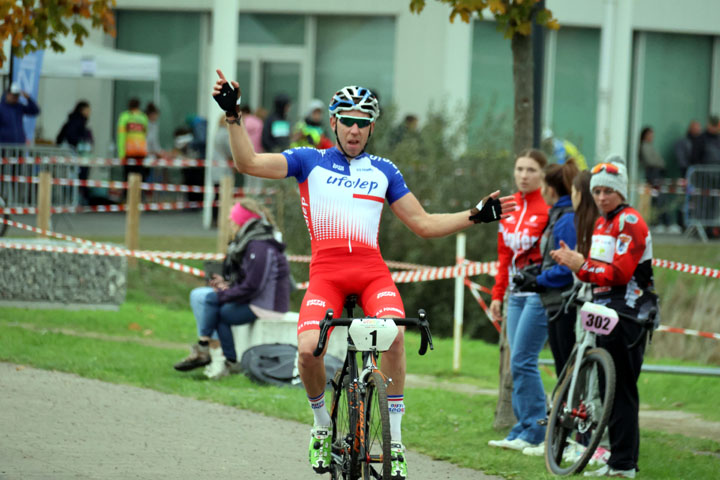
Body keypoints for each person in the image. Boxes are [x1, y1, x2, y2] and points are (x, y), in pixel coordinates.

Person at [212, 69, 515, 479]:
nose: (354, 130)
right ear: (334, 122)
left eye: (362, 123)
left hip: (372, 271)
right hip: (327, 272)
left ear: (371, 128)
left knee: (393, 336)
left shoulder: (384, 170)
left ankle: (395, 441)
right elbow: (247, 162)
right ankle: (321, 427)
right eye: (347, 121)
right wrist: (233, 115)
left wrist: (475, 216)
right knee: (306, 350)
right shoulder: (308, 160)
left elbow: (423, 224)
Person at [551, 155, 656, 479]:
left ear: (621, 192)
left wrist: (580, 264)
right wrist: (582, 271)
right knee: (608, 386)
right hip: (603, 308)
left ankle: (624, 464)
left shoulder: (630, 221)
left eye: (608, 191)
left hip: (630, 313)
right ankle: (617, 461)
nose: (601, 197)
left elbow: (620, 273)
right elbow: (597, 271)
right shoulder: (602, 221)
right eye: (596, 191)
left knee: (621, 389)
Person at [174, 198, 291, 378]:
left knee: (215, 303)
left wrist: (225, 294)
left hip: (267, 304)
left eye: (232, 217)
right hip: (258, 299)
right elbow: (249, 279)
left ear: (241, 221)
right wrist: (226, 285)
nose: (229, 221)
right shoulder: (250, 241)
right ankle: (221, 357)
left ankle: (212, 352)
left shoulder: (258, 245)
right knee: (211, 302)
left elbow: (253, 286)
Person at [488, 149, 550, 452]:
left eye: (531, 170)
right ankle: (522, 429)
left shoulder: (546, 210)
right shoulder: (507, 206)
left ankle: (536, 430)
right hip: (514, 295)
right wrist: (497, 295)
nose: (524, 175)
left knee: (524, 360)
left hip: (539, 294)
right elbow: (503, 256)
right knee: (517, 362)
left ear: (542, 175)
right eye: (519, 169)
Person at [57, 101, 94, 204]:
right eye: (88, 109)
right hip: (75, 154)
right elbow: (72, 137)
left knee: (72, 177)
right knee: (77, 177)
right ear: (82, 110)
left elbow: (59, 137)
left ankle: (72, 200)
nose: (89, 112)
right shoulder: (79, 121)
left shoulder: (72, 120)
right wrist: (81, 143)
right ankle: (75, 201)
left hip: (71, 153)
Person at [117, 98, 149, 182]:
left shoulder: (125, 117)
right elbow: (146, 135)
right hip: (141, 152)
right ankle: (140, 195)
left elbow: (121, 136)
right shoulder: (143, 117)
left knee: (128, 177)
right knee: (140, 177)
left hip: (129, 152)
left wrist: (121, 154)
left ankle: (127, 194)